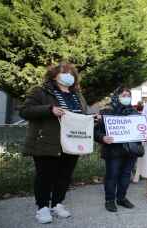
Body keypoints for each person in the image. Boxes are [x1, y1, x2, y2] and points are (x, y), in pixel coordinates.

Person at [20, 62, 88, 224]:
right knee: (45, 176)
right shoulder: (40, 91)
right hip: (48, 141)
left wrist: (93, 119)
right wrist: (49, 110)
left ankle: (57, 204)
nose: (68, 76)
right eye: (64, 72)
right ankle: (42, 207)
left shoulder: (77, 95)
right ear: (54, 75)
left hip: (72, 142)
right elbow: (25, 111)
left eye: (71, 74)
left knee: (64, 176)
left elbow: (83, 115)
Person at [94, 87, 141, 212]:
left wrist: (145, 136)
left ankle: (121, 198)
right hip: (113, 150)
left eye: (128, 95)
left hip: (130, 150)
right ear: (116, 96)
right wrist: (103, 138)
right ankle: (109, 200)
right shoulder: (106, 112)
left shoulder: (135, 113)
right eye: (123, 95)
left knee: (126, 175)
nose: (126, 98)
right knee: (112, 175)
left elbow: (140, 130)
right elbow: (96, 131)